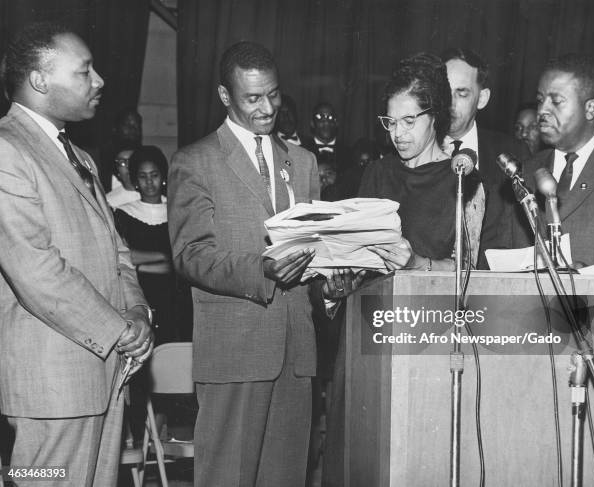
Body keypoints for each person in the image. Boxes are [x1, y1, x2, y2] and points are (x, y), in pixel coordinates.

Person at [167, 40, 359, 487]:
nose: (267, 107)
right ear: (224, 96)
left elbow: (312, 250)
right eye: (252, 98)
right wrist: (263, 269)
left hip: (297, 353)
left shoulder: (304, 162)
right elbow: (190, 254)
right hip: (235, 349)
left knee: (287, 477)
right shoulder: (195, 161)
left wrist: (328, 284)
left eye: (273, 94)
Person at [0, 21, 153, 486]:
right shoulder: (7, 150)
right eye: (85, 71)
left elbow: (116, 250)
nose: (100, 81)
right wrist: (119, 329)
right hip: (53, 388)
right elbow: (36, 270)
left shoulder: (80, 157)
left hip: (105, 374)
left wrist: (138, 310)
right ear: (41, 80)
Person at [323, 52, 482, 487]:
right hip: (364, 340)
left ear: (437, 116)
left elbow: (473, 275)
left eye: (409, 121)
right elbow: (356, 259)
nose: (398, 134)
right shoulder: (375, 174)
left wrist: (414, 264)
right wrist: (338, 283)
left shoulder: (461, 182)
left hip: (425, 343)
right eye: (390, 122)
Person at [513, 53, 594, 267]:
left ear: (591, 108)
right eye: (540, 100)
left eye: (556, 101)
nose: (542, 111)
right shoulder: (523, 172)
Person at [441, 47, 529, 268]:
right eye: (443, 91)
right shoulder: (416, 154)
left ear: (482, 98)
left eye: (461, 93)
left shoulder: (514, 153)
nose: (449, 103)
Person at [115, 145, 179, 343]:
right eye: (143, 176)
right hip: (139, 295)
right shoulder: (122, 213)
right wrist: (163, 258)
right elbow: (123, 257)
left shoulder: (177, 211)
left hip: (173, 298)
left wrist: (142, 262)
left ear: (163, 177)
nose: (149, 182)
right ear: (135, 180)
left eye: (154, 175)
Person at [303, 102, 351, 173]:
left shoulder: (348, 153)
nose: (326, 122)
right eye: (320, 117)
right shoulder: (302, 151)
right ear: (312, 123)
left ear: (336, 123)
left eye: (330, 117)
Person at [105, 140, 140, 209]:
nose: (129, 166)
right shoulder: (108, 202)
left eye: (133, 160)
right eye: (122, 163)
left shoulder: (154, 197)